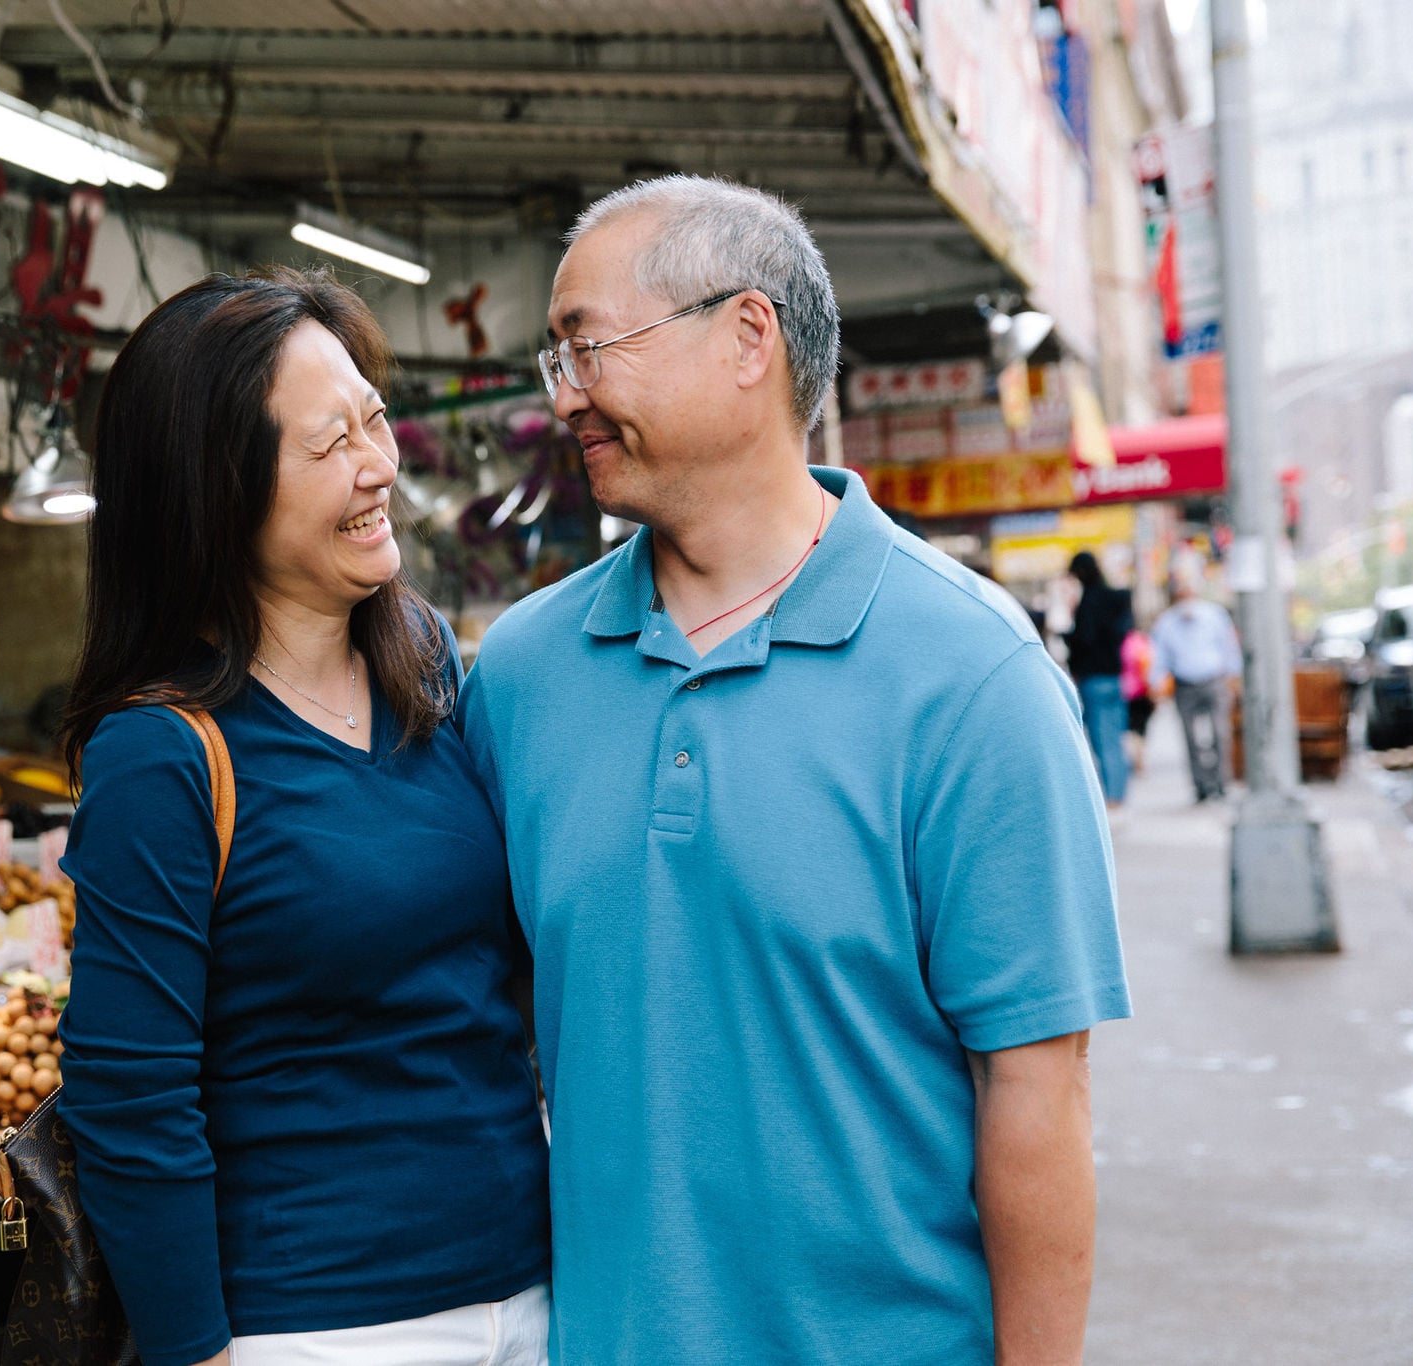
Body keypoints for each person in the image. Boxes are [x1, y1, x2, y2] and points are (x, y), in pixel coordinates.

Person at [460, 175, 1130, 1365]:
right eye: (556, 359)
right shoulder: (518, 678)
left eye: (591, 347)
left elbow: (1034, 1094)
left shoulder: (970, 677)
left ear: (746, 337)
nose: (568, 396)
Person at [56, 269, 550, 1366]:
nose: (379, 468)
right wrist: (199, 1351)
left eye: (375, 421)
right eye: (331, 445)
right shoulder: (165, 755)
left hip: (527, 1290)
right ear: (215, 488)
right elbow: (128, 1099)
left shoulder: (427, 668)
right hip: (316, 1326)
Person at [1150, 574, 1243, 802]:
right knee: (1191, 738)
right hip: (1184, 685)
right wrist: (1156, 682)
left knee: (1220, 734)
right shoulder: (1166, 623)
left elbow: (1228, 648)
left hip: (1213, 681)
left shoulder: (1215, 616)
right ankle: (1200, 785)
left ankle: (1221, 784)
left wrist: (1234, 677)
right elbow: (1159, 656)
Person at [1063, 550, 1134, 807]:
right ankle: (1119, 791)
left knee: (1102, 739)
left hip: (1094, 679)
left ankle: (1113, 796)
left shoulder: (1089, 603)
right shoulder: (1116, 599)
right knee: (1114, 737)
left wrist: (1068, 635)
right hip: (1115, 677)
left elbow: (1084, 639)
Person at [1122, 625, 1157, 775]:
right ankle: (1140, 758)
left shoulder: (1123, 643)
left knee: (1132, 727)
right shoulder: (1143, 642)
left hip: (1127, 691)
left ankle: (1137, 758)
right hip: (1143, 690)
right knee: (1141, 727)